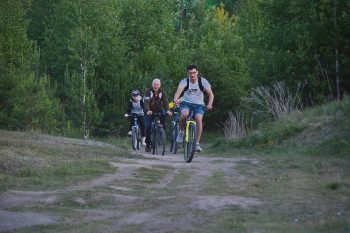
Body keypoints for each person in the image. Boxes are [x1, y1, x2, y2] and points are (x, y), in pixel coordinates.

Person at [173, 64, 214, 152]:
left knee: (199, 119)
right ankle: (181, 132)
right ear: (188, 74)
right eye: (190, 73)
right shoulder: (184, 82)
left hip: (199, 104)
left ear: (197, 73)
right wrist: (175, 99)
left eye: (194, 73)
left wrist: (210, 104)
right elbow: (178, 91)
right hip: (186, 103)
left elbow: (211, 94)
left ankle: (197, 144)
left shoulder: (203, 81)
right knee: (184, 114)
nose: (192, 75)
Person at [143, 79, 172, 152]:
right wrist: (148, 110)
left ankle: (162, 135)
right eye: (154, 84)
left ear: (160, 85)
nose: (156, 86)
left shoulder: (162, 92)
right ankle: (148, 144)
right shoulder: (148, 91)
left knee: (163, 118)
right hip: (149, 111)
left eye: (157, 84)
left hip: (159, 110)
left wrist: (168, 110)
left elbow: (166, 102)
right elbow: (146, 102)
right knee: (148, 127)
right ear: (152, 84)